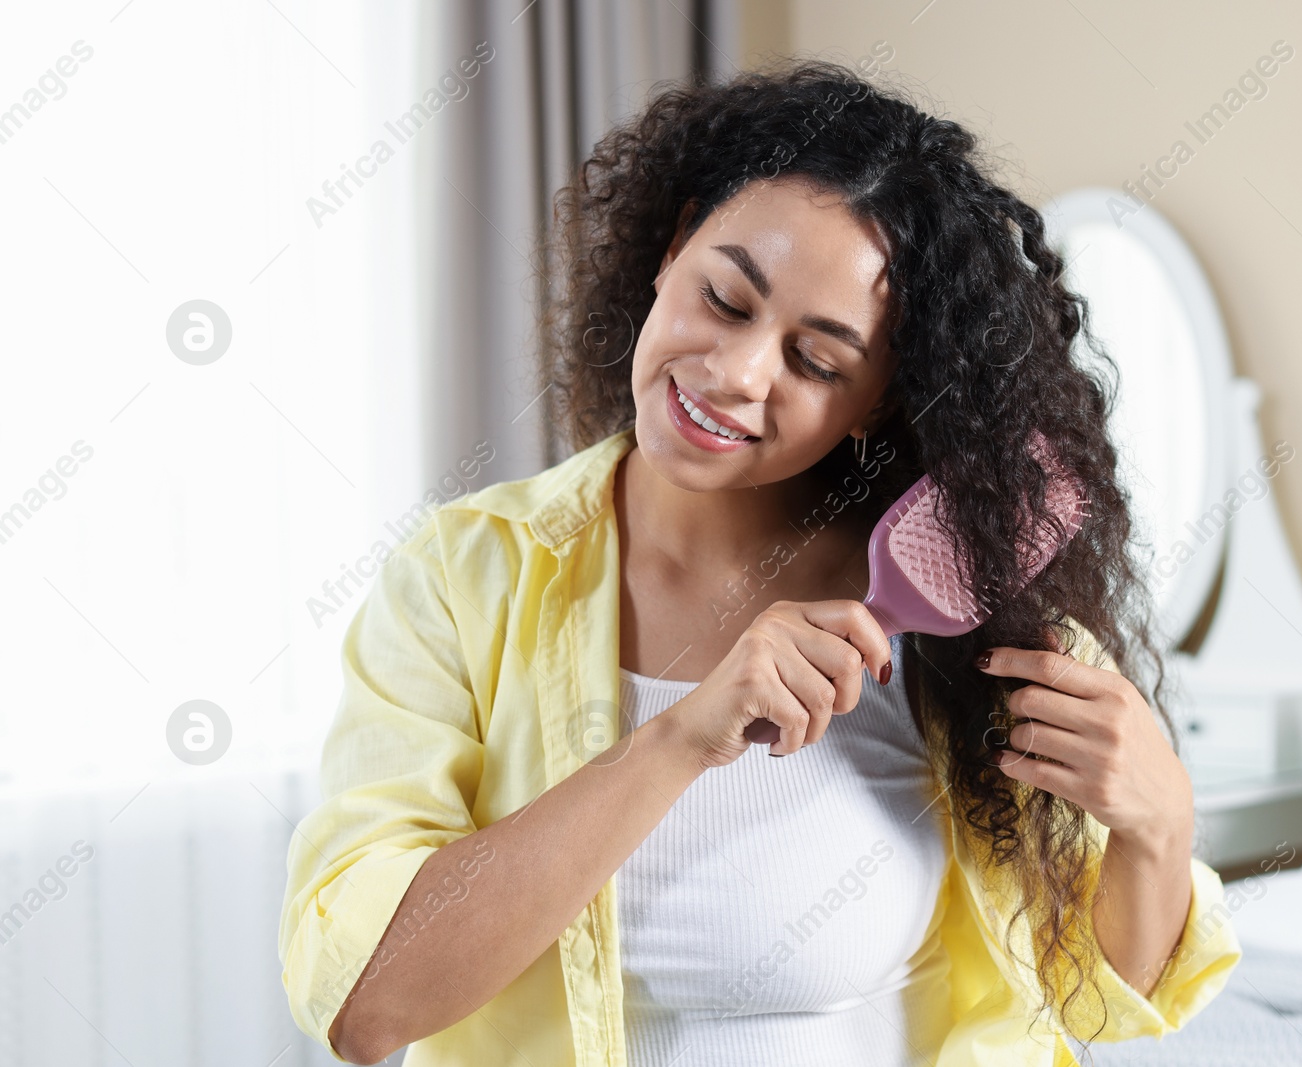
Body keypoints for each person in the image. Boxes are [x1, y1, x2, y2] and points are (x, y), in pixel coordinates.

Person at [278, 57, 1240, 1067]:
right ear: (672, 243)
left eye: (816, 359)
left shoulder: (962, 617)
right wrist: (680, 736)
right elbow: (366, 1004)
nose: (737, 375)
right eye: (727, 298)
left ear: (873, 398)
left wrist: (1157, 825)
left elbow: (1089, 1000)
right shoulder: (462, 580)